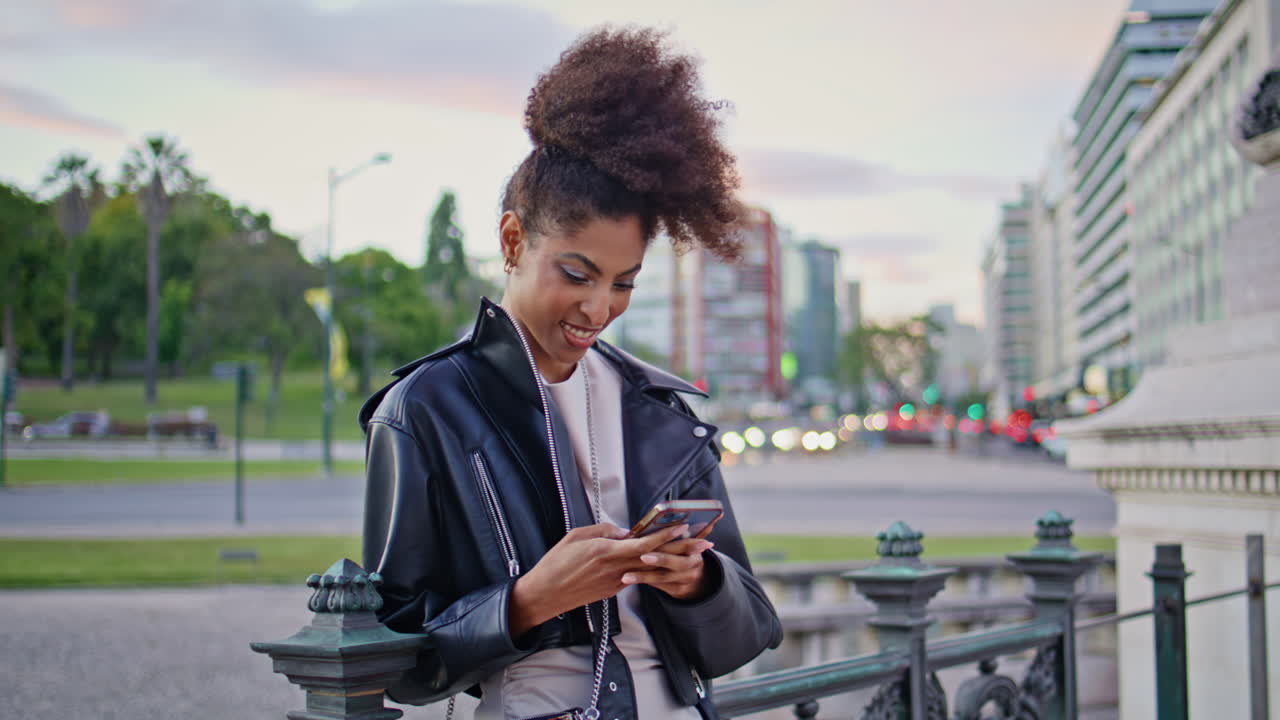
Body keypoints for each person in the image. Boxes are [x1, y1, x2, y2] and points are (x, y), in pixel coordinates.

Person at [360, 26, 782, 720]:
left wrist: (699, 581)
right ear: (512, 240)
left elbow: (752, 630)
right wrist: (529, 600)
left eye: (624, 283)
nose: (598, 308)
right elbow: (392, 657)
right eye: (577, 273)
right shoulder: (424, 409)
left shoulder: (661, 412)